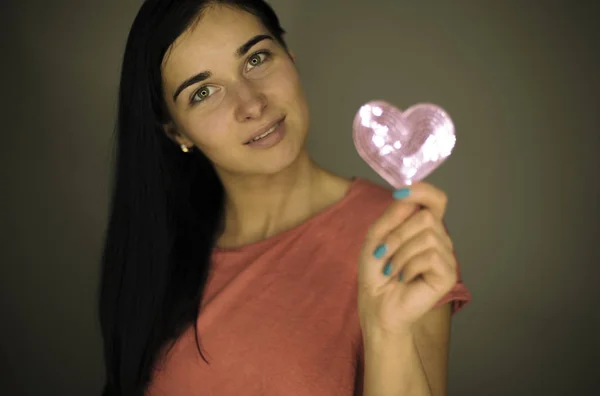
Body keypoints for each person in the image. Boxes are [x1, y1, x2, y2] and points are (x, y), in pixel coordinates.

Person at [98, 0, 472, 395]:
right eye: (204, 91)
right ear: (177, 132)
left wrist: (386, 333)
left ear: (290, 58)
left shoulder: (399, 234)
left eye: (257, 58)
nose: (252, 104)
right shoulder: (157, 257)